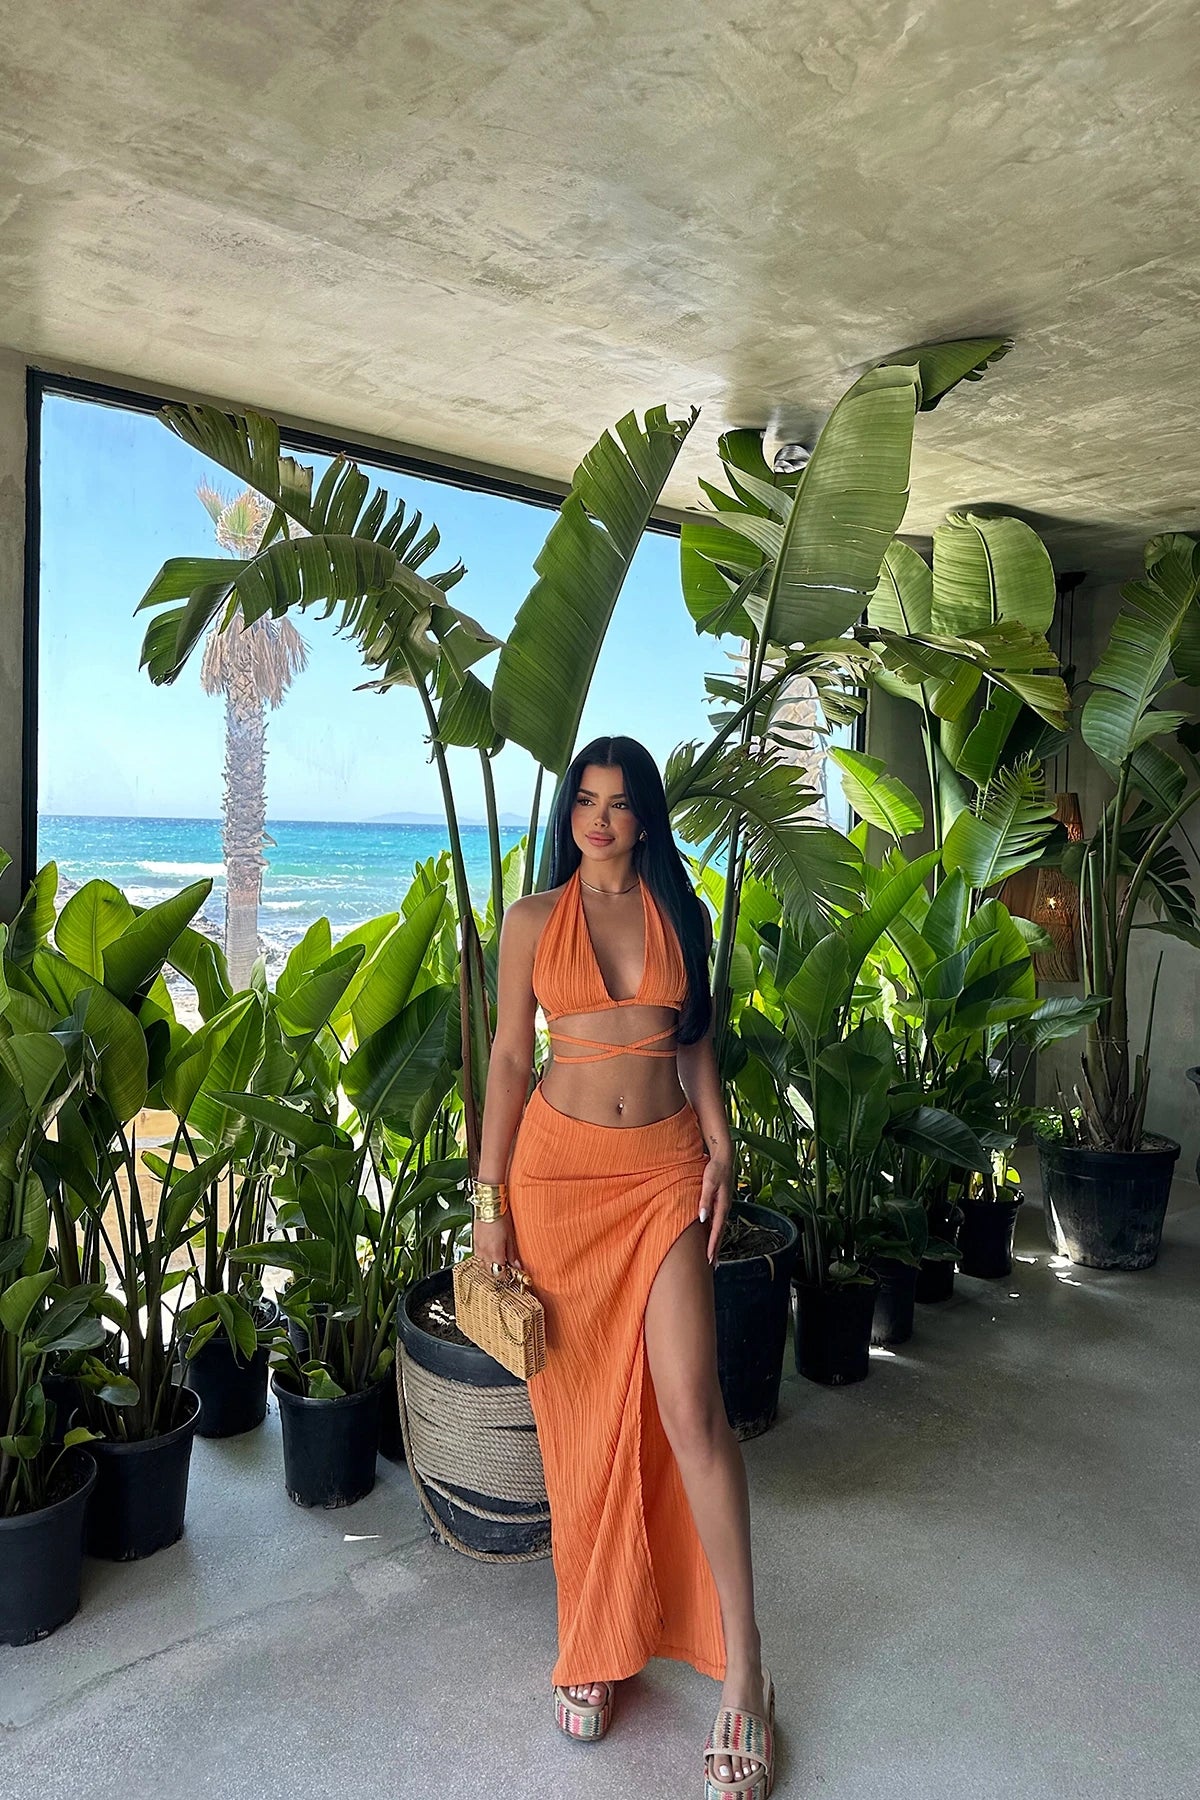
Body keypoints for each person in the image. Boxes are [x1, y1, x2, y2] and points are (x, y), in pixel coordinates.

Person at [472, 735, 776, 1799]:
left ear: (644, 817)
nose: (597, 819)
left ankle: (745, 1667)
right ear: (572, 814)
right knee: (582, 1423)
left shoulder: (679, 912)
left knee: (692, 1407)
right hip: (558, 1182)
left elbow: (694, 1044)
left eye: (617, 803)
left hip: (662, 1177)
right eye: (584, 801)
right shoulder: (530, 920)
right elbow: (510, 1057)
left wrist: (724, 1145)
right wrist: (488, 1201)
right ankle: (596, 1639)